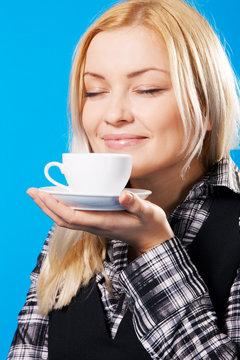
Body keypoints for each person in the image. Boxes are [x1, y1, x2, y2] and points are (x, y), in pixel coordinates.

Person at [8, 0, 240, 358]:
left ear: (206, 107)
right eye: (95, 92)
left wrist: (153, 247)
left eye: (148, 89)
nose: (113, 115)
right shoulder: (67, 235)